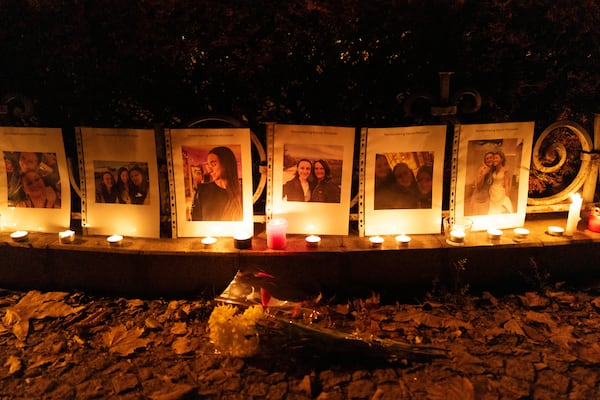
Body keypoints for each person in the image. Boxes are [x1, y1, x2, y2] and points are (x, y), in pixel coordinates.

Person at [190, 146, 242, 221]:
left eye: (213, 164)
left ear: (226, 164)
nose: (209, 170)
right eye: (208, 165)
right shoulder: (202, 190)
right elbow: (195, 221)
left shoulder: (240, 194)